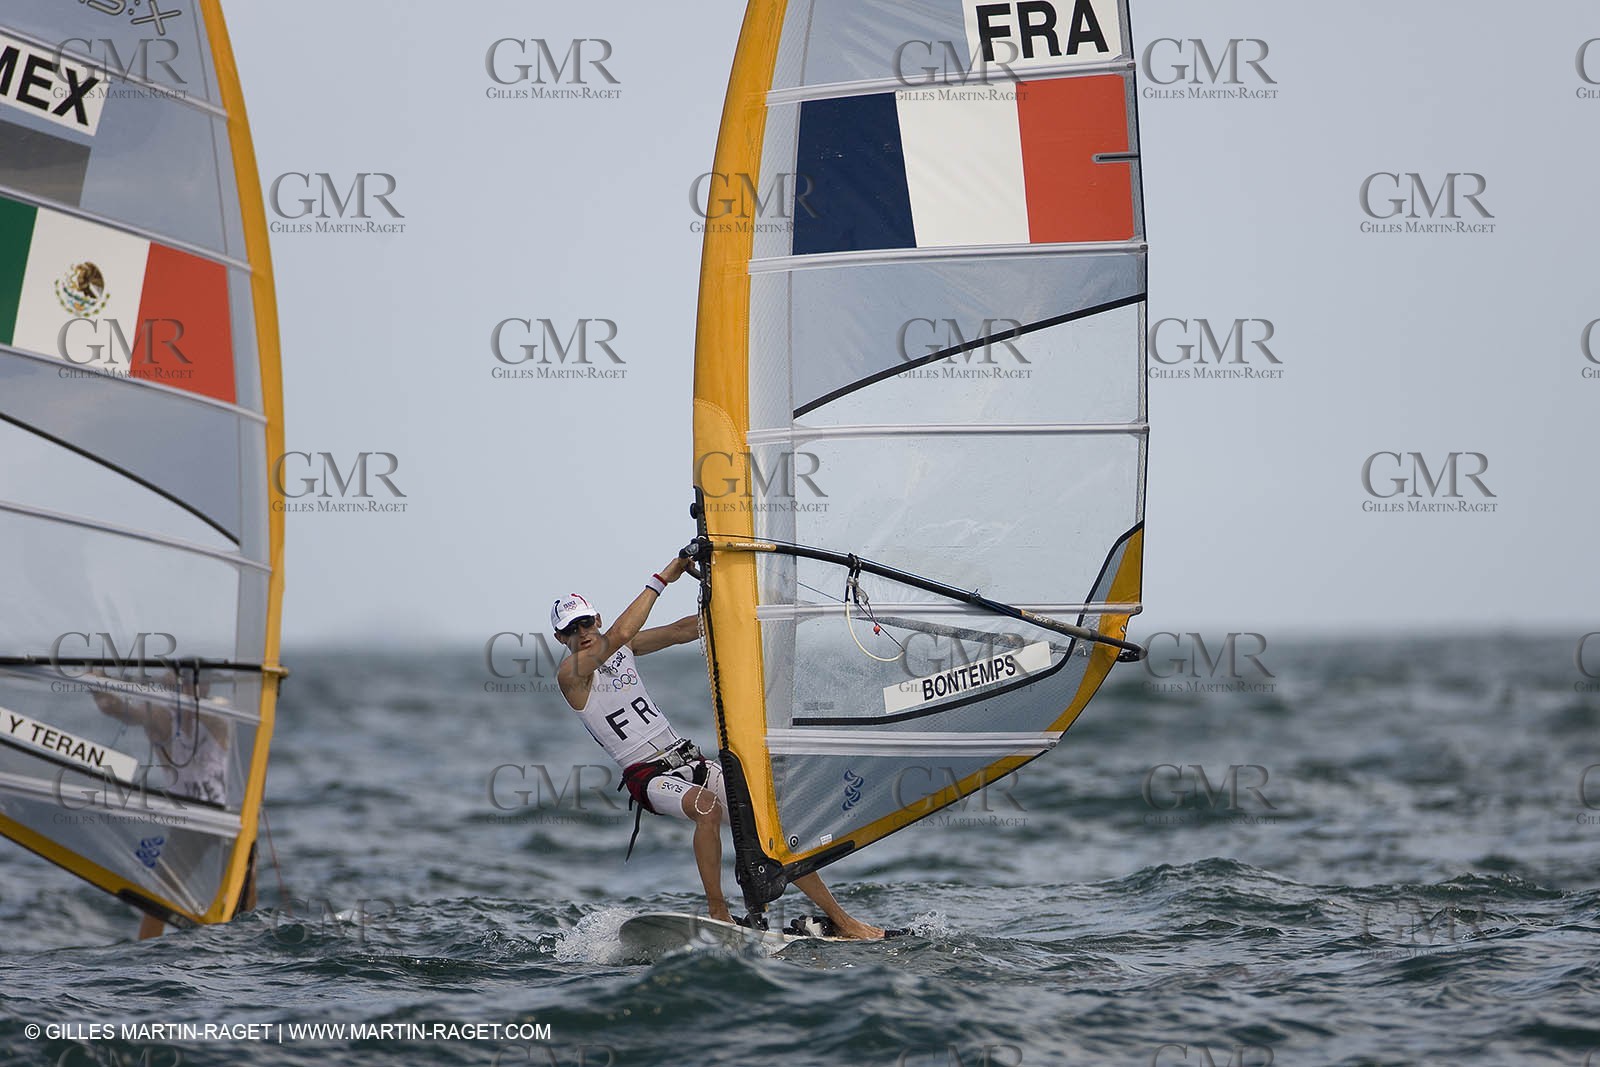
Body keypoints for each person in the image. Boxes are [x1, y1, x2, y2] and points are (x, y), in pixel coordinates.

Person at [553, 556, 886, 939]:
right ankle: (718, 909)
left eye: (586, 622)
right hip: (647, 776)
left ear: (596, 619)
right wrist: (664, 578)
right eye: (571, 629)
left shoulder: (622, 651)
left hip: (687, 758)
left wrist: (734, 605)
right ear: (562, 639)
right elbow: (624, 632)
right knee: (706, 809)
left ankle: (843, 922)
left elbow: (681, 631)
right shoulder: (571, 675)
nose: (582, 632)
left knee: (767, 827)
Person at [91, 671, 254, 938]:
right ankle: (147, 950)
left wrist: (154, 686)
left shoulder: (216, 715)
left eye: (198, 684)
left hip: (225, 818)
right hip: (188, 820)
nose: (194, 689)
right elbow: (115, 709)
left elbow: (213, 712)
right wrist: (96, 682)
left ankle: (247, 947)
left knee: (243, 893)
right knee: (161, 893)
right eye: (188, 684)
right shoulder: (162, 718)